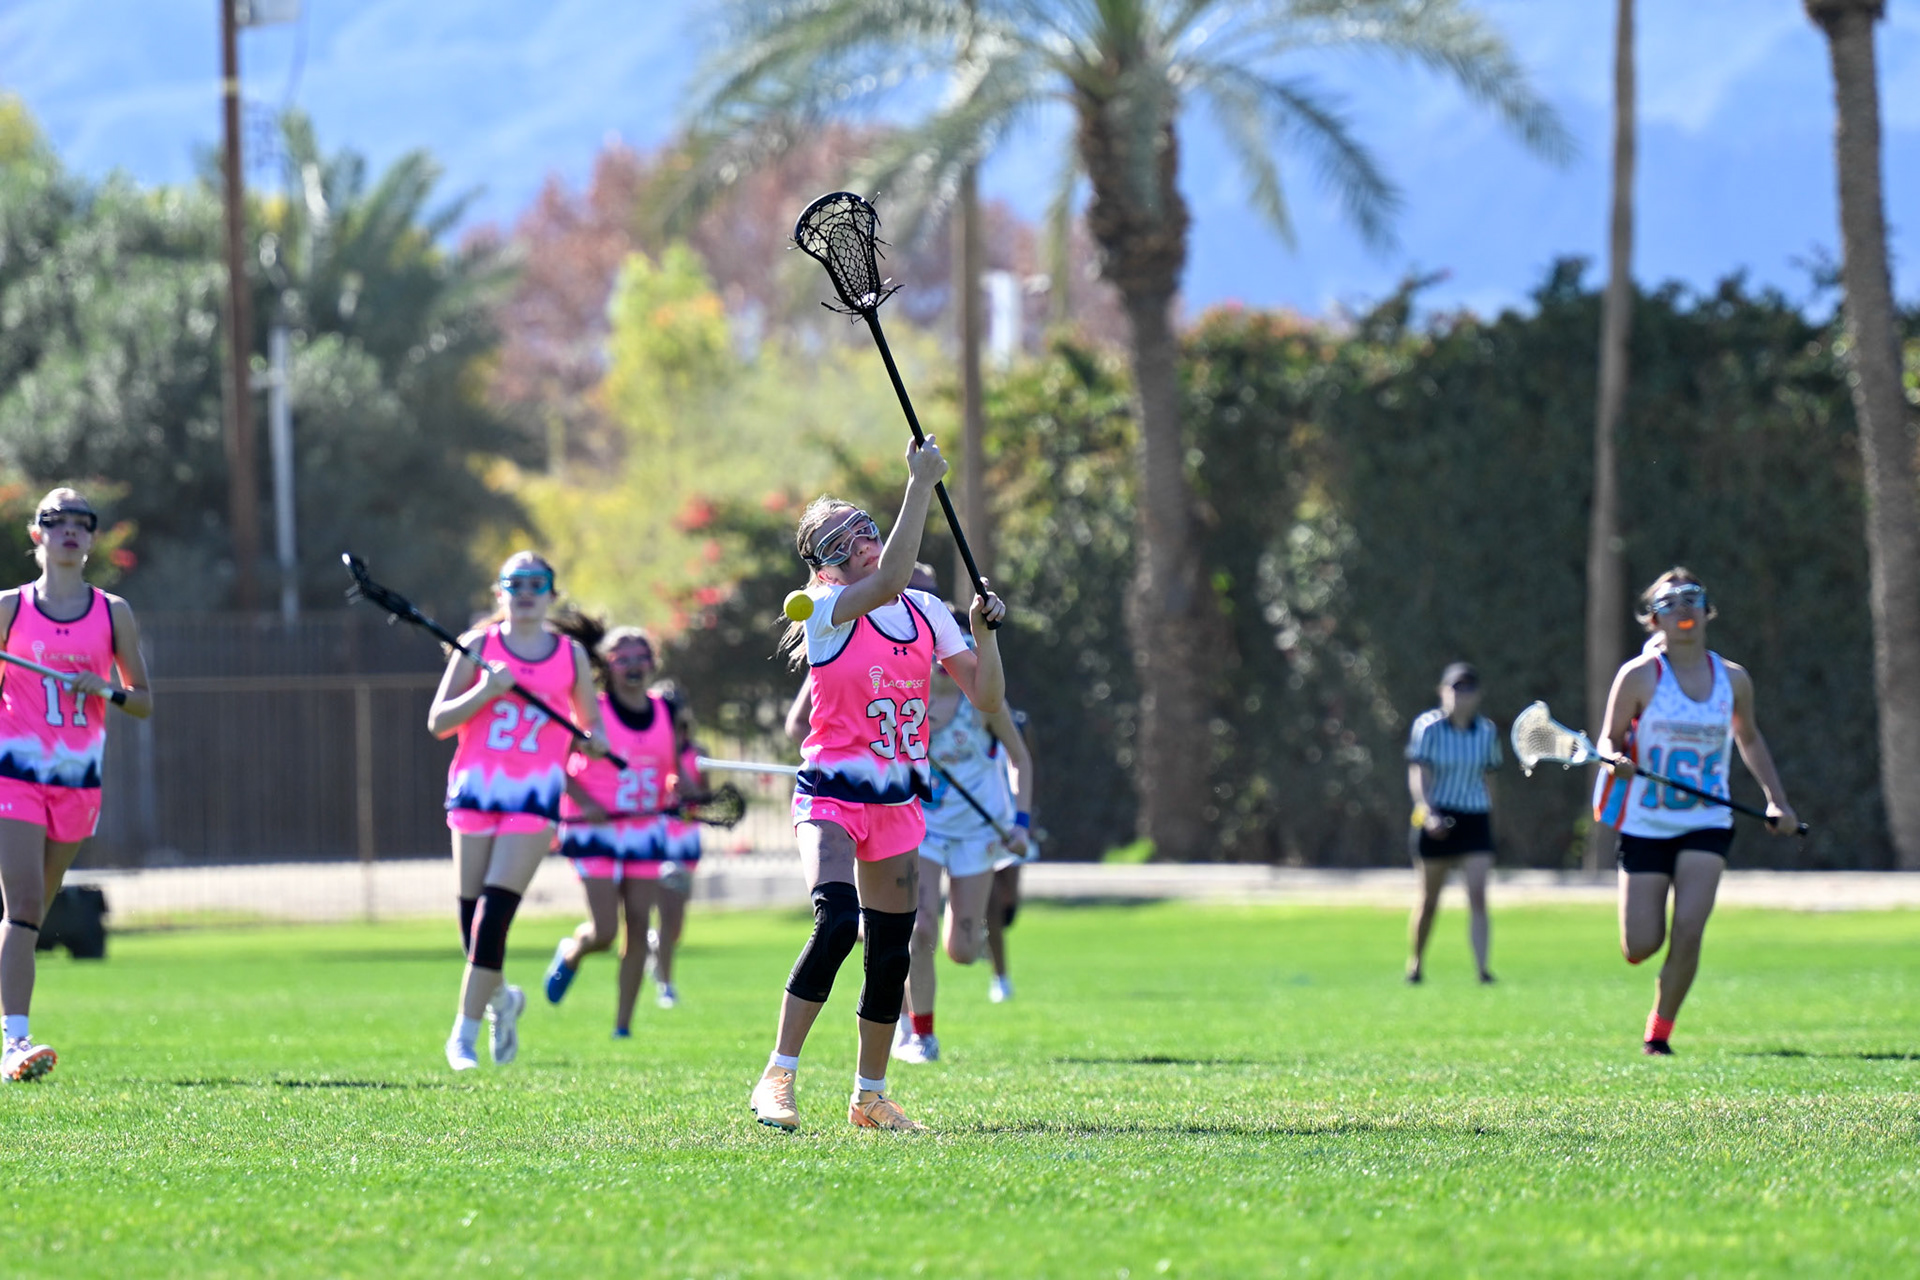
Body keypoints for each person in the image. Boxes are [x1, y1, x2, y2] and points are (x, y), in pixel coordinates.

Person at [748, 440, 1007, 1133]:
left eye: (864, 527)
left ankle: (869, 1096)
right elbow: (889, 577)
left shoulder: (925, 611)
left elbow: (985, 696)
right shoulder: (822, 608)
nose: (860, 541)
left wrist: (984, 633)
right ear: (823, 566)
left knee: (890, 953)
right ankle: (778, 1076)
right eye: (842, 541)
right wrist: (919, 483)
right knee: (836, 922)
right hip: (832, 793)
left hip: (897, 801)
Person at [1594, 568, 1797, 1055]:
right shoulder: (1639, 676)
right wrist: (1615, 759)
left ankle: (1659, 1033)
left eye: (1692, 598)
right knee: (1641, 945)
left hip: (1706, 822)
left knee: (1689, 929)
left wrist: (1777, 800)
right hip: (1646, 824)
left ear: (1707, 612)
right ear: (1654, 620)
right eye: (1669, 603)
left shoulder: (1733, 679)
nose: (1682, 608)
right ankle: (1652, 959)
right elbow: (1608, 739)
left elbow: (1748, 738)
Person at [427, 551, 604, 1071]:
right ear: (499, 592)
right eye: (515, 583)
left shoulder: (570, 655)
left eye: (536, 583)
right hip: (476, 790)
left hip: (534, 796)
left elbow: (591, 726)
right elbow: (439, 721)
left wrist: (592, 742)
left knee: (493, 915)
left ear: (551, 593)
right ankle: (503, 1000)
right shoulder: (479, 647)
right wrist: (488, 689)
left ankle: (462, 1036)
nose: (525, 592)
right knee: (471, 922)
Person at [0, 489, 153, 1082]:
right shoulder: (10, 609)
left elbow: (142, 700)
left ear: (91, 537)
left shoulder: (112, 613)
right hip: (15, 775)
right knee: (23, 906)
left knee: (32, 913)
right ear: (37, 534)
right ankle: (15, 1042)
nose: (68, 530)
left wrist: (105, 689)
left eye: (80, 523)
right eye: (55, 520)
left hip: (78, 782)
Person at [893, 604, 1031, 1064]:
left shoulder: (984, 702)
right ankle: (921, 1036)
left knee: (963, 951)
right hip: (925, 830)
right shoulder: (908, 701)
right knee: (919, 930)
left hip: (977, 834)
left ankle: (964, 919)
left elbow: (1021, 760)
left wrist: (1021, 823)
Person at [543, 623, 695, 1031]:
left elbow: (673, 771)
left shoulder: (665, 711)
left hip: (643, 830)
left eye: (640, 657)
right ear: (606, 666)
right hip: (594, 831)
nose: (633, 666)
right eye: (622, 658)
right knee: (605, 931)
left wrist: (679, 789)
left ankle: (622, 1026)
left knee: (639, 924)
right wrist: (586, 801)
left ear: (652, 663)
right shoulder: (593, 713)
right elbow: (557, 763)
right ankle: (574, 951)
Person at [1404, 662, 1503, 985]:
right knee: (1429, 900)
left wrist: (1491, 817)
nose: (1462, 696)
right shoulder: (1428, 727)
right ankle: (1416, 963)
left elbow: (1489, 776)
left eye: (1469, 689)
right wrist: (1427, 811)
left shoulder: (1486, 732)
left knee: (1478, 895)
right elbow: (1419, 773)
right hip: (1437, 815)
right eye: (1456, 688)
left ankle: (1482, 970)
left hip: (1474, 816)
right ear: (1443, 692)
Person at [984, 707, 1036, 1003]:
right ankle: (1000, 977)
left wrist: (1027, 819)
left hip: (1012, 822)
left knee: (1008, 904)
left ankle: (983, 935)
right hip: (982, 822)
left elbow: (1027, 765)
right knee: (990, 902)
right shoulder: (968, 717)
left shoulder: (1017, 721)